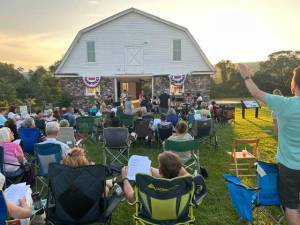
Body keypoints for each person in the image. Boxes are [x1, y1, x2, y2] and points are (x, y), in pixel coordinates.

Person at [238, 64, 300, 225]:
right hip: (289, 166)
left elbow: (255, 92)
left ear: (294, 85)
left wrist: (246, 75)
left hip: (290, 167)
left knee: (291, 205)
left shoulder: (285, 104)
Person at [121, 151, 189, 203]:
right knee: (150, 169)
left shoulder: (147, 186)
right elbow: (187, 174)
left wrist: (125, 178)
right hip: (176, 214)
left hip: (151, 216)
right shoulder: (186, 185)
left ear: (160, 170)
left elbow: (131, 198)